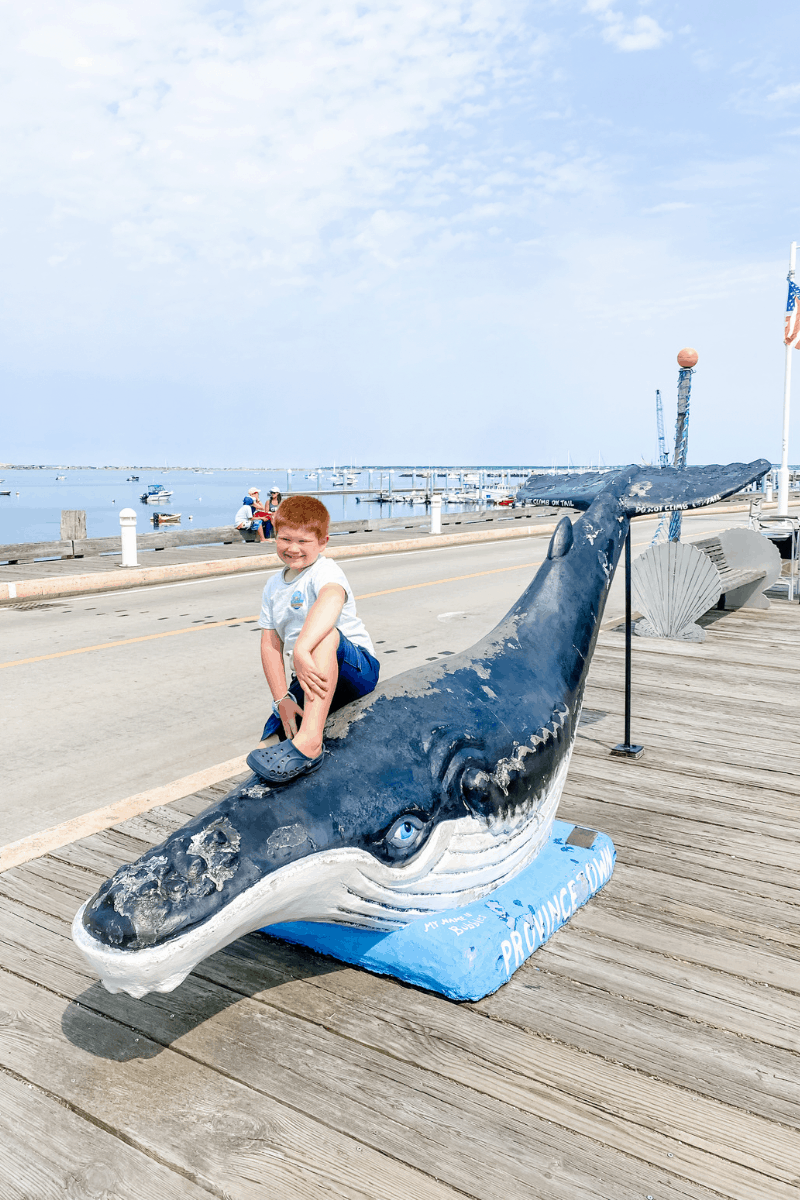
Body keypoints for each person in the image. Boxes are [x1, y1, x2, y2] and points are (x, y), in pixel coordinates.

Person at [246, 495, 380, 783]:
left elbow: (331, 598)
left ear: (323, 542)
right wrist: (281, 697)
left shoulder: (325, 571)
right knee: (268, 744)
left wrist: (302, 649)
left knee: (324, 635)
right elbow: (270, 644)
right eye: (285, 539)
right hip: (311, 674)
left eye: (303, 541)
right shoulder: (272, 587)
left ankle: (311, 742)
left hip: (355, 667)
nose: (293, 548)